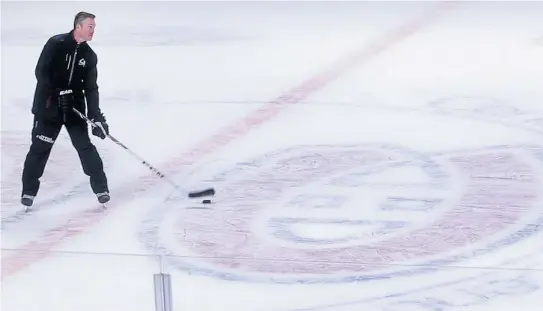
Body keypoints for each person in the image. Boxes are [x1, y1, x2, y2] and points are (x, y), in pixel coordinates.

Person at [20, 11, 111, 207]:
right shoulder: (56, 44)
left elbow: (91, 88)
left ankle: (101, 188)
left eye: (94, 27)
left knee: (85, 147)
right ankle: (28, 192)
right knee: (39, 149)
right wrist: (59, 91)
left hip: (74, 109)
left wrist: (96, 117)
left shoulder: (89, 55)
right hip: (48, 107)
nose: (93, 30)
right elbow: (41, 72)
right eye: (90, 27)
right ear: (78, 26)